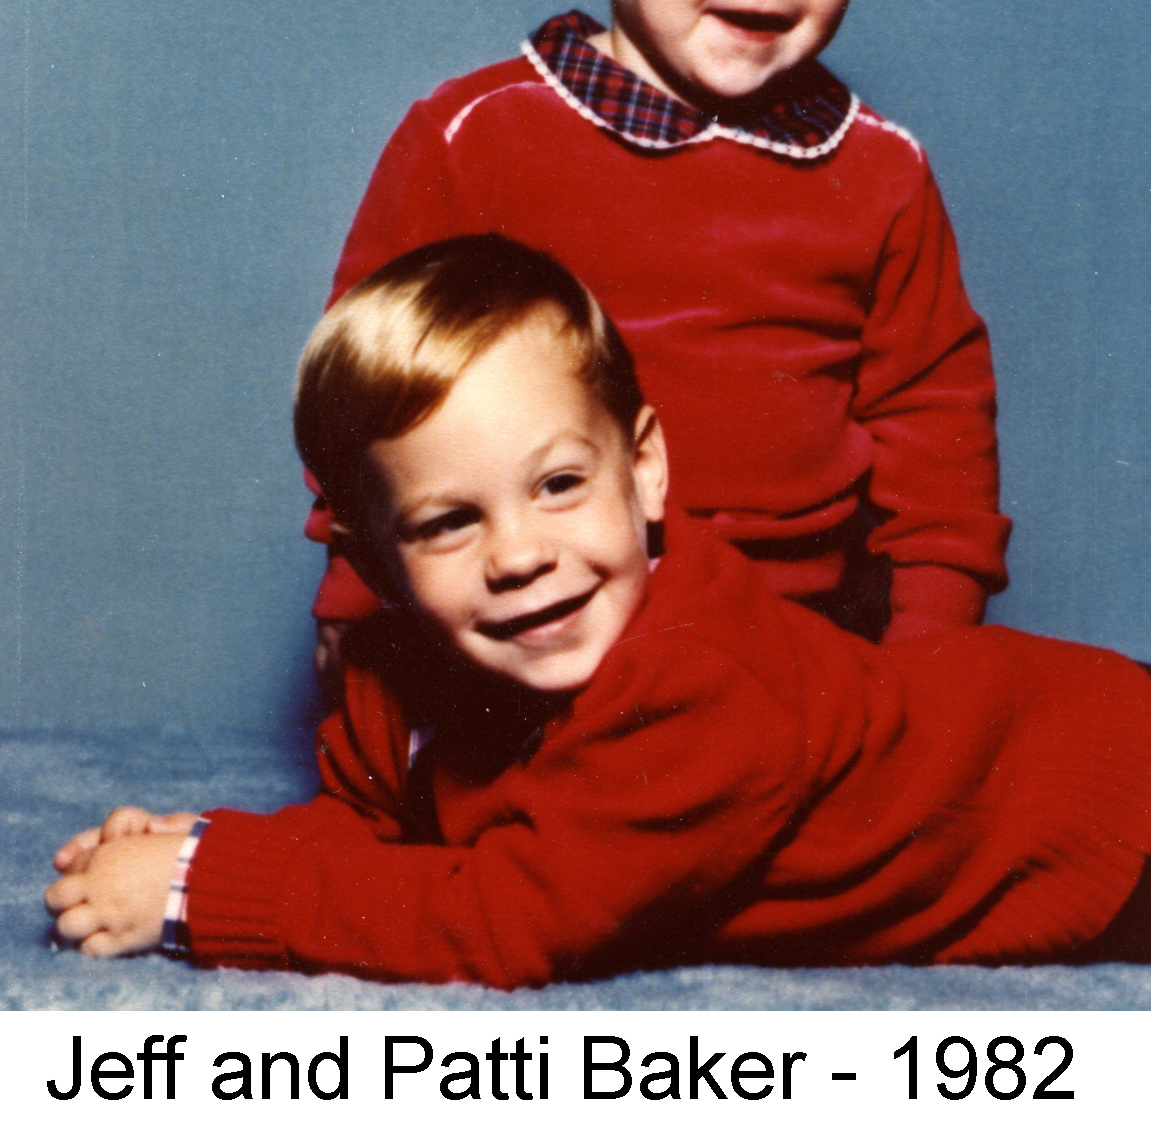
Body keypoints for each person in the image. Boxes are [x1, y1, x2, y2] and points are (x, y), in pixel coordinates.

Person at [45, 237, 1151, 980]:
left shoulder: (696, 679)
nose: (521, 554)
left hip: (1089, 811)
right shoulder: (398, 679)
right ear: (374, 561)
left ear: (647, 471)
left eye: (559, 484)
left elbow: (508, 917)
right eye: (445, 523)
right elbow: (393, 834)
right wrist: (216, 844)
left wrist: (208, 891)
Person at [308, 0, 1010, 681]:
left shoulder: (878, 170)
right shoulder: (482, 135)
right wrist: (354, 578)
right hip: (526, 616)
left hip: (788, 622)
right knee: (453, 792)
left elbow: (935, 421)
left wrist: (930, 645)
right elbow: (371, 380)